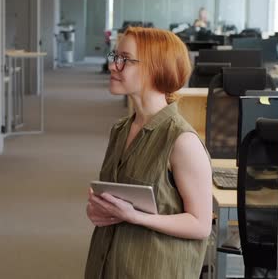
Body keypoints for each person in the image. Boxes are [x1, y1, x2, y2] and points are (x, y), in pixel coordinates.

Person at [85, 27, 212, 278]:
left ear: (155, 67)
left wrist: (136, 217)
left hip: (154, 268)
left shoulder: (181, 141)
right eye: (115, 57)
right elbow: (118, 200)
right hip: (108, 265)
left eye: (125, 59)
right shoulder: (121, 129)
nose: (113, 66)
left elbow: (200, 224)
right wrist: (98, 209)